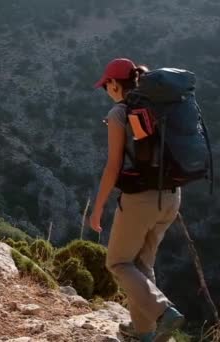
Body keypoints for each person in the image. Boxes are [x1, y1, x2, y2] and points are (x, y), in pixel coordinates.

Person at [89, 58, 185, 342]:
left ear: (115, 84)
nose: (106, 90)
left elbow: (113, 166)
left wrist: (97, 209)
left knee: (118, 263)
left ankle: (164, 311)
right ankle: (145, 333)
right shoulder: (159, 107)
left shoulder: (121, 112)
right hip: (171, 197)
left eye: (106, 85)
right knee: (142, 265)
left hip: (140, 200)